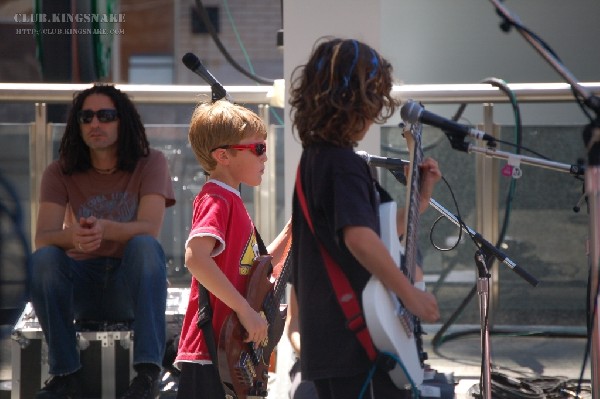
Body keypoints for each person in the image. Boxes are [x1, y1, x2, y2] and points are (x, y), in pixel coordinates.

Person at [288, 37, 441, 399]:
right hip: (357, 345)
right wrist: (410, 295)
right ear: (358, 102)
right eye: (374, 102)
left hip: (333, 342)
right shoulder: (343, 164)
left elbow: (370, 229)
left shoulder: (315, 159)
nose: (375, 115)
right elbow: (359, 238)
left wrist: (418, 202)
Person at [30, 83, 176, 399]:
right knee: (42, 259)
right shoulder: (59, 171)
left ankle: (148, 374)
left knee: (145, 247)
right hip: (81, 287)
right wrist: (74, 237)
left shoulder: (151, 162)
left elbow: (149, 228)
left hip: (128, 286)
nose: (95, 124)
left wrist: (104, 229)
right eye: (87, 117)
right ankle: (65, 374)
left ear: (122, 121)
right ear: (77, 125)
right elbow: (43, 238)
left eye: (106, 115)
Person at [174, 100, 291, 398]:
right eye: (259, 149)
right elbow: (196, 258)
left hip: (228, 355)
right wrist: (245, 311)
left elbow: (260, 270)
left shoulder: (232, 201)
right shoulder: (216, 198)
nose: (265, 157)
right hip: (210, 352)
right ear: (223, 155)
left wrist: (293, 231)